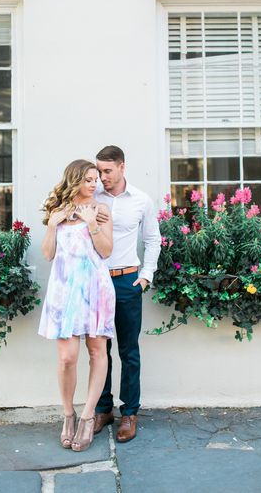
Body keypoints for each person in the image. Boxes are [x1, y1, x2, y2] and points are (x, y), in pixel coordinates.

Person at [38, 159, 116, 452]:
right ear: (74, 180)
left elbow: (106, 251)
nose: (94, 184)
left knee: (97, 352)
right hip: (64, 290)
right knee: (67, 358)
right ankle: (68, 415)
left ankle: (87, 417)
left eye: (96, 179)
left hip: (95, 288)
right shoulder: (57, 211)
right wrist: (52, 225)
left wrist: (92, 223)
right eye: (88, 179)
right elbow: (48, 254)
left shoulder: (101, 209)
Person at [94, 145, 161, 443]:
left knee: (128, 351)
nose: (102, 177)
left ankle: (129, 412)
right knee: (99, 351)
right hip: (97, 281)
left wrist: (145, 276)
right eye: (99, 171)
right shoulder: (92, 196)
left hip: (126, 282)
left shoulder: (141, 200)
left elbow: (152, 239)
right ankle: (102, 409)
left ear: (122, 167)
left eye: (107, 171)